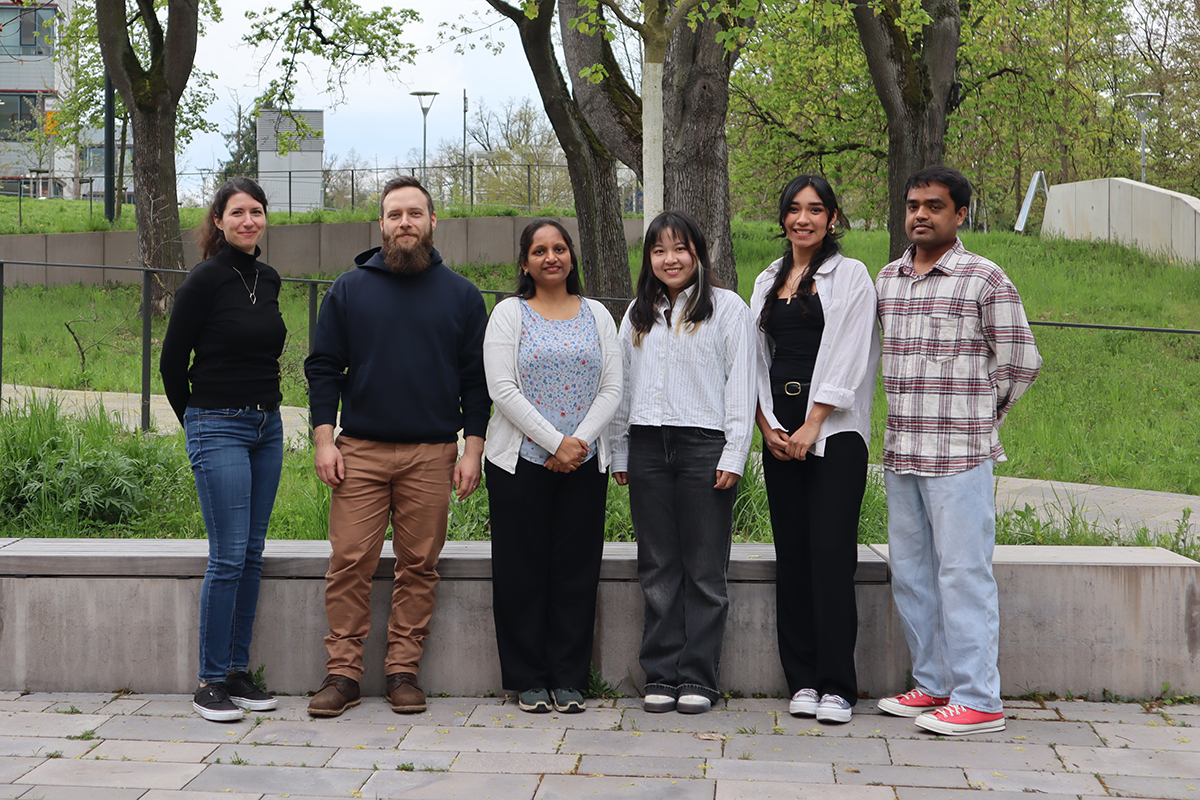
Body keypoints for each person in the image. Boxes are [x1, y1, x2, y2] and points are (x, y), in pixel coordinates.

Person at [303, 175, 489, 717]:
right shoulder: (349, 289)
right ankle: (342, 675)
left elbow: (477, 382)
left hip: (432, 454)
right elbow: (322, 369)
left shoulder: (461, 295)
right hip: (358, 450)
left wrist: (471, 450)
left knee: (419, 565)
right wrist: (324, 440)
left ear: (434, 223)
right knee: (350, 562)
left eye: (414, 213)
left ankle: (403, 671)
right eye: (394, 215)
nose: (404, 223)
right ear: (380, 224)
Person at [874, 165, 1041, 736]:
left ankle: (980, 699)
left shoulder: (984, 278)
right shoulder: (888, 279)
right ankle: (934, 684)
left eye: (935, 206)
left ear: (960, 214)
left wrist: (977, 416)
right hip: (902, 453)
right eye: (913, 204)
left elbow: (1021, 362)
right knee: (913, 574)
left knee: (964, 575)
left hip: (961, 458)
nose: (921, 214)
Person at [609, 210, 755, 715]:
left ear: (698, 253)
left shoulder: (728, 309)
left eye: (680, 248)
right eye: (659, 250)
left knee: (704, 568)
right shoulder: (637, 313)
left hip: (703, 447)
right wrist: (620, 449)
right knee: (657, 566)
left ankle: (698, 676)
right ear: (649, 258)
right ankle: (662, 673)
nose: (670, 259)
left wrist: (734, 452)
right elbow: (622, 388)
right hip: (648, 446)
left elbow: (741, 385)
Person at [749, 175, 880, 725]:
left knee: (831, 557)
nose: (804, 219)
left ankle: (837, 685)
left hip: (835, 434)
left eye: (816, 210)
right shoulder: (766, 279)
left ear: (831, 219)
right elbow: (753, 357)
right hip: (779, 433)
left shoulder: (849, 276)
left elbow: (852, 351)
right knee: (794, 558)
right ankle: (800, 680)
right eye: (794, 210)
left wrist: (813, 422)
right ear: (783, 219)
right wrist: (766, 422)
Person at [483, 220, 623, 714]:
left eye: (559, 248)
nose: (551, 257)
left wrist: (577, 443)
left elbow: (612, 387)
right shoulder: (508, 315)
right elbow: (502, 389)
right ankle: (528, 679)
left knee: (575, 571)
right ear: (525, 262)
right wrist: (553, 443)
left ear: (571, 257)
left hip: (583, 464)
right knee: (521, 571)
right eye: (539, 250)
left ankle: (568, 678)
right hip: (519, 464)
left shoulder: (598, 315)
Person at [160, 177, 285, 722]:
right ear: (219, 220)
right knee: (228, 555)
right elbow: (171, 364)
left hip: (268, 428)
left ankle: (237, 671)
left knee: (252, 555)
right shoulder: (203, 281)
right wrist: (198, 423)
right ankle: (209, 680)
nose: (248, 221)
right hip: (218, 426)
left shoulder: (270, 279)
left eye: (256, 212)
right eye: (238, 213)